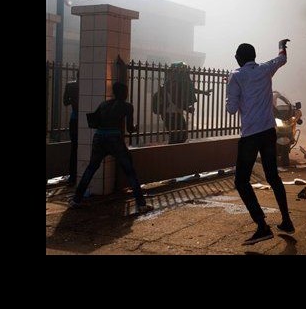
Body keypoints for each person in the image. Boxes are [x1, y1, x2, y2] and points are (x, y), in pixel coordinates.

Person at [226, 39, 294, 245]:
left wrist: (231, 90)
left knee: (241, 181)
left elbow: (230, 109)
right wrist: (282, 45)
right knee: (273, 176)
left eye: (236, 56)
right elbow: (282, 59)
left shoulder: (236, 76)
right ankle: (286, 220)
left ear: (239, 58)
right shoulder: (265, 69)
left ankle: (262, 226)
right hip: (268, 132)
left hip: (250, 136)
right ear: (253, 57)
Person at [69, 82, 153, 214]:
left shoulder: (104, 104)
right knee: (130, 171)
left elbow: (95, 120)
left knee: (91, 169)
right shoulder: (127, 106)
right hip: (114, 139)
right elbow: (130, 129)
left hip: (99, 137)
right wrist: (135, 128)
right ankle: (141, 204)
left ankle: (76, 200)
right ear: (124, 93)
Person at [154, 62, 211, 143]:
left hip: (175, 114)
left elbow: (189, 89)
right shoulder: (171, 84)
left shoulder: (176, 83)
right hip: (170, 115)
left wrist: (203, 92)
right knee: (176, 136)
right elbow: (176, 99)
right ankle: (173, 153)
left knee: (180, 136)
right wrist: (187, 108)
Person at [62, 74, 79, 185]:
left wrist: (74, 100)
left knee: (74, 148)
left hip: (74, 118)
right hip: (86, 119)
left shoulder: (70, 85)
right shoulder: (87, 85)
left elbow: (65, 102)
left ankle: (72, 177)